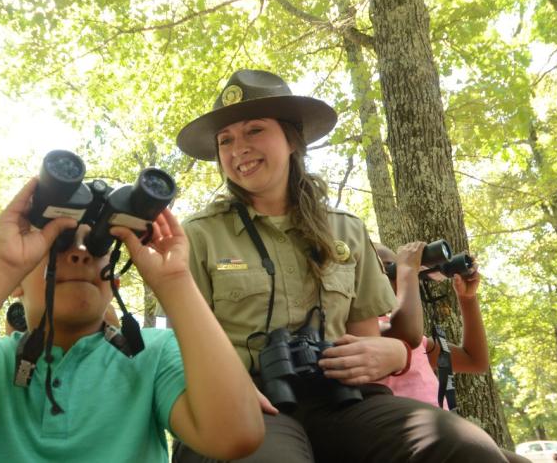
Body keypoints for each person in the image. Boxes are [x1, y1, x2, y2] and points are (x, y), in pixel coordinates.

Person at [172, 69, 514, 462]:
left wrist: (394, 355)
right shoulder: (199, 235)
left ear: (291, 138)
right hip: (249, 399)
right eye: (225, 140)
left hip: (342, 397)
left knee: (466, 446)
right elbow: (181, 348)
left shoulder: (345, 230)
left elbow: (364, 340)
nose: (238, 149)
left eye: (254, 131)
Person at [0, 177, 264, 461]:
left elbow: (236, 436)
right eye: (58, 245)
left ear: (114, 282)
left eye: (97, 246)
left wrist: (176, 282)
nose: (79, 254)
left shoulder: (153, 353)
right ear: (16, 285)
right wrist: (1, 264)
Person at [376, 243, 530, 463]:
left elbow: (474, 360)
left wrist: (468, 299)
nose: (400, 273)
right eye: (392, 268)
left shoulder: (417, 340)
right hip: (411, 441)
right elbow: (404, 332)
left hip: (445, 434)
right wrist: (408, 269)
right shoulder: (369, 329)